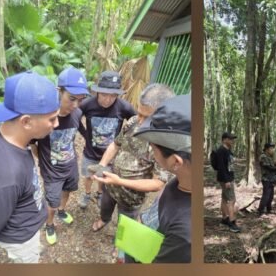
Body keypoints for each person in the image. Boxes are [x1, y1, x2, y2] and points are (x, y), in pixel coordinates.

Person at [0, 71, 60, 263]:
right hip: (20, 239)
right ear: (26, 121)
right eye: (52, 119)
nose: (56, 123)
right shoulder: (8, 175)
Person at [89, 83, 174, 237]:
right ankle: (104, 219)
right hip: (110, 184)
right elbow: (116, 144)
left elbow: (158, 183)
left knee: (125, 223)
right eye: (139, 113)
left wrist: (120, 181)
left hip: (131, 197)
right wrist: (102, 165)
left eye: (147, 118)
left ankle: (120, 242)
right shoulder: (133, 121)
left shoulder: (164, 143)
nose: (140, 121)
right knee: (105, 207)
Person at [132, 93, 192, 263]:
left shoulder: (185, 234)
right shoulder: (179, 182)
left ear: (176, 162)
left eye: (153, 148)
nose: (152, 153)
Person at [34, 67, 89, 246]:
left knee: (68, 190)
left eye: (80, 100)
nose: (76, 105)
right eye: (71, 98)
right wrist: (43, 160)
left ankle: (62, 210)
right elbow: (32, 143)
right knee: (52, 201)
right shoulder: (45, 117)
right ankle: (49, 224)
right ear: (59, 91)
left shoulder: (77, 113)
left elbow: (79, 130)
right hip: (52, 171)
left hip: (70, 164)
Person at [77, 70, 136, 211]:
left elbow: (136, 122)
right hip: (90, 152)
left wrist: (124, 140)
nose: (108, 100)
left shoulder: (124, 107)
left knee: (104, 176)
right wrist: (85, 134)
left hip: (110, 154)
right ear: (97, 92)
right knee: (88, 175)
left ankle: (99, 193)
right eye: (104, 95)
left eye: (113, 96)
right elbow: (75, 118)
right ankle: (87, 194)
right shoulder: (87, 104)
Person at [212, 131, 240, 233]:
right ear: (224, 140)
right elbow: (221, 167)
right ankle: (232, 223)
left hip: (228, 178)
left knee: (224, 199)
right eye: (230, 139)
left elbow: (228, 165)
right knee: (232, 200)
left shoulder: (228, 150)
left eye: (232, 139)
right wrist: (227, 180)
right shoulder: (221, 151)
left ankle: (224, 219)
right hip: (226, 179)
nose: (232, 141)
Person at [258, 142, 276, 216]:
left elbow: (273, 165)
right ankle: (261, 211)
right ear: (267, 149)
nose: (273, 150)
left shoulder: (270, 157)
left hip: (271, 179)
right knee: (266, 195)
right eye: (271, 148)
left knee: (271, 195)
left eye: (273, 148)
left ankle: (269, 209)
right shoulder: (263, 157)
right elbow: (269, 168)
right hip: (266, 179)